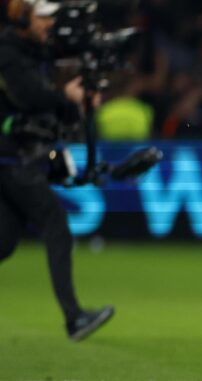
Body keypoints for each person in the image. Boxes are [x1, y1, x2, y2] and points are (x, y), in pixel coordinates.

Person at [0, 0, 114, 341]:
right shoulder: (7, 52)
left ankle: (75, 318)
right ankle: (74, 318)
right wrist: (66, 94)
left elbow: (50, 108)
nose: (49, 23)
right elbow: (28, 96)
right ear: (20, 16)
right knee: (55, 224)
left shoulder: (36, 53)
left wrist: (76, 103)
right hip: (10, 158)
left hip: (17, 158)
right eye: (43, 16)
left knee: (4, 241)